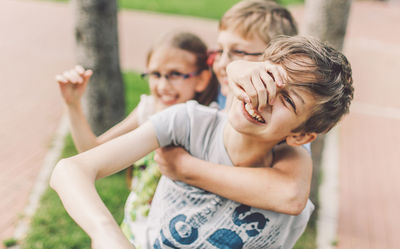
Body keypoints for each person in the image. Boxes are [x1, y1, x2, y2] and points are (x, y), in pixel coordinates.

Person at [50, 35, 354, 249]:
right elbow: (70, 170)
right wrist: (107, 235)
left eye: (286, 98)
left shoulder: (292, 168)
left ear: (301, 135)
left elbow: (292, 196)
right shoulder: (187, 122)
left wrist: (183, 167)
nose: (265, 96)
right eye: (267, 78)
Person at [56, 31, 218, 246]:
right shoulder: (149, 109)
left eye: (175, 74)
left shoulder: (209, 125)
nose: (162, 86)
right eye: (155, 74)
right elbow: (91, 150)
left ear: (202, 79)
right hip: (130, 234)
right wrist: (73, 104)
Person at [155, 0, 311, 215]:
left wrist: (183, 167)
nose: (222, 65)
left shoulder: (282, 125)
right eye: (220, 51)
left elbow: (289, 195)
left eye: (239, 52)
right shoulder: (210, 93)